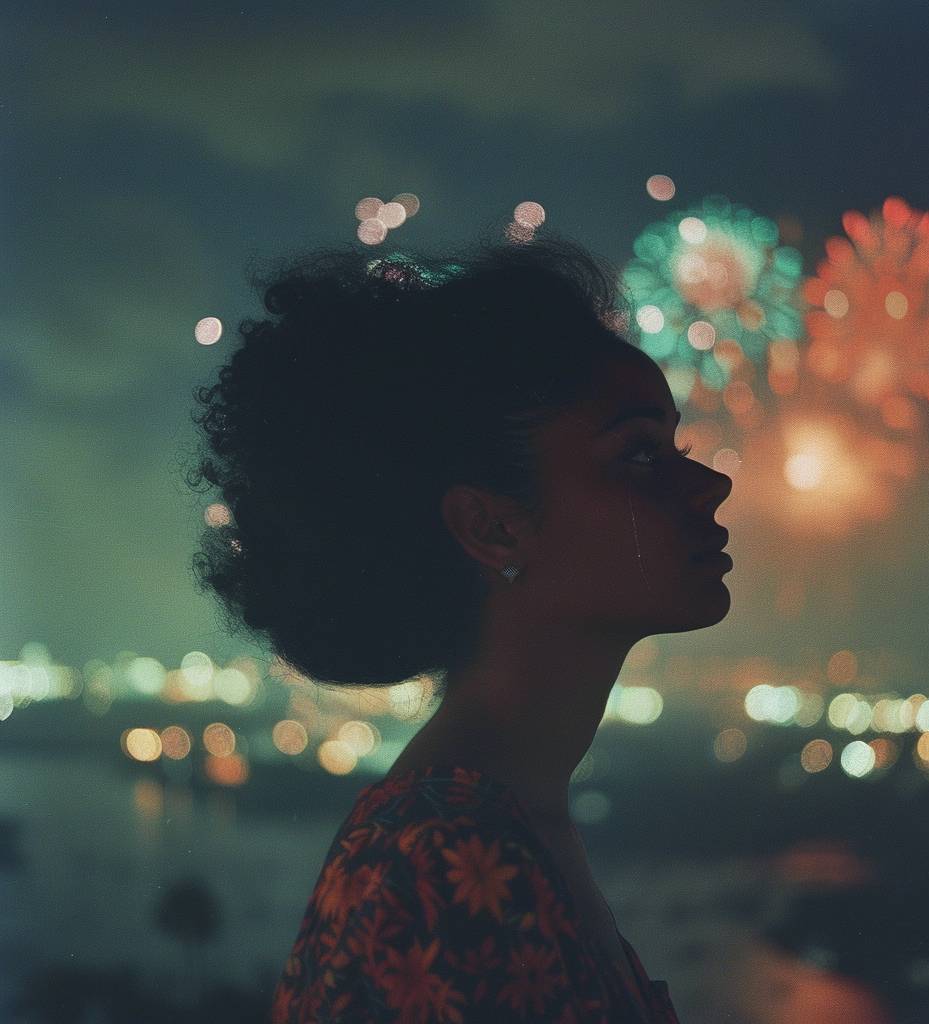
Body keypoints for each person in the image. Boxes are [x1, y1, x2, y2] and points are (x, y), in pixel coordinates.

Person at [186, 232, 732, 1022]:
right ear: (493, 528)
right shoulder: (435, 856)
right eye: (640, 455)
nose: (710, 484)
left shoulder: (495, 825)